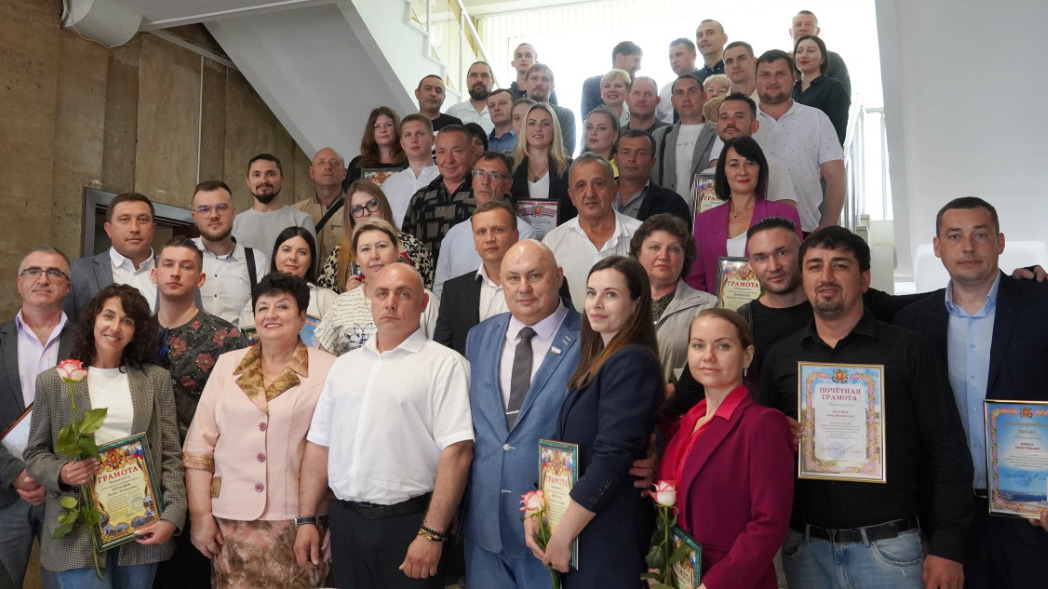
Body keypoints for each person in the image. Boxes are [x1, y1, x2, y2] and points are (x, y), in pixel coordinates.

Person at [759, 227, 973, 589]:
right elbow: (761, 456)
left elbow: (947, 450)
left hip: (891, 549)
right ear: (803, 278)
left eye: (840, 265)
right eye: (814, 266)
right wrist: (777, 433)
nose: (826, 277)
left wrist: (948, 545)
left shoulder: (909, 350)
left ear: (865, 279)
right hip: (805, 550)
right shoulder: (781, 356)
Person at [895, 197, 1048, 588]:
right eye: (954, 236)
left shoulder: (1041, 306)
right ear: (937, 247)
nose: (967, 247)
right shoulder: (912, 323)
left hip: (1033, 513)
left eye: (980, 235)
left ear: (1000, 242)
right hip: (948, 519)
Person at [295, 263, 473, 589]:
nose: (390, 303)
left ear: (423, 303)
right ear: (371, 302)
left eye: (403, 294)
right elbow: (319, 445)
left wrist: (432, 533)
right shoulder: (344, 366)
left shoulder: (445, 364)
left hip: (411, 524)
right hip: (347, 523)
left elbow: (458, 452)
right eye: (382, 294)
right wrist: (306, 519)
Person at [183, 273, 337, 588]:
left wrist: (337, 521)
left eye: (283, 306)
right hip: (232, 521)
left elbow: (342, 450)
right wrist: (200, 516)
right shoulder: (228, 365)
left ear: (303, 318)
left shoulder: (330, 369)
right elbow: (199, 448)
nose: (271, 314)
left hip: (301, 521)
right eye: (263, 307)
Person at [24, 284, 185, 585]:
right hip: (76, 529)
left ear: (136, 331)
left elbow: (170, 455)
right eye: (108, 316)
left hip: (141, 527)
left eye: (127, 320)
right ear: (93, 320)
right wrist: (62, 472)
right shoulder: (54, 382)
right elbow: (35, 453)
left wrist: (172, 515)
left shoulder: (156, 380)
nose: (115, 327)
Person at [524, 256, 661, 587]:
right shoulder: (598, 359)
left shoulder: (631, 360)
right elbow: (566, 448)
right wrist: (536, 507)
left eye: (611, 294)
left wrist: (562, 534)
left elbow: (612, 457)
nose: (596, 304)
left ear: (636, 303)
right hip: (584, 527)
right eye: (591, 293)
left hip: (608, 532)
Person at [462, 240, 580, 587]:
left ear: (558, 277)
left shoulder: (591, 337)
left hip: (556, 530)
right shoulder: (478, 337)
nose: (523, 287)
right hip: (484, 528)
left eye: (535, 276)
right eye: (513, 278)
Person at [659, 308, 793, 588]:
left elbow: (769, 524)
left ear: (747, 355)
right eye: (698, 345)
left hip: (731, 580)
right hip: (680, 575)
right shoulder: (687, 422)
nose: (708, 356)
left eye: (722, 346)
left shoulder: (763, 425)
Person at [150, 237, 244, 589]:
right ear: (154, 274)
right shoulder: (134, 333)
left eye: (186, 266)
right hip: (146, 480)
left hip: (203, 480)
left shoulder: (225, 337)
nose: (175, 273)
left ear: (201, 279)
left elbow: (240, 416)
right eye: (168, 265)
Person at [0, 247, 74, 589]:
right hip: (5, 495)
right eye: (33, 271)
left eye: (54, 272)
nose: (43, 279)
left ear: (67, 287)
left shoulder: (90, 344)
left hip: (66, 494)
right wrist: (15, 473)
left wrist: (54, 474)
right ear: (19, 283)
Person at [709, 51, 844, 233]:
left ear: (794, 78)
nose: (772, 81)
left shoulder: (817, 119)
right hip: (743, 231)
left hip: (804, 228)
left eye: (780, 74)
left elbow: (836, 176)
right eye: (765, 74)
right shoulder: (738, 118)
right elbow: (717, 171)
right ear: (756, 79)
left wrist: (830, 223)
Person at [685, 137, 802, 294]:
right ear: (723, 171)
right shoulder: (704, 221)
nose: (742, 171)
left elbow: (797, 271)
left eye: (750, 163)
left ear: (760, 169)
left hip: (775, 305)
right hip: (715, 308)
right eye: (734, 164)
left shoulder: (784, 214)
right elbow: (695, 280)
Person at [315, 218, 438, 356]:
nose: (374, 255)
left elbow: (438, 355)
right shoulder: (340, 304)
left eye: (381, 246)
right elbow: (322, 359)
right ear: (357, 259)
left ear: (397, 251)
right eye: (365, 249)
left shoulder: (422, 300)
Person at [543, 154, 641, 311]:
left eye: (598, 184)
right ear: (572, 196)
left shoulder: (641, 236)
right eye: (581, 186)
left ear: (614, 190)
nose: (590, 193)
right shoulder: (552, 242)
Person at [433, 152, 536, 299]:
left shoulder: (524, 233)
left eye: (494, 175)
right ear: (473, 180)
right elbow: (440, 291)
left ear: (508, 185)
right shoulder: (453, 234)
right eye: (480, 173)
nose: (485, 182)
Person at [629, 214, 718, 382]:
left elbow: (712, 362)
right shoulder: (620, 301)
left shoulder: (707, 307)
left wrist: (673, 388)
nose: (663, 256)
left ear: (685, 258)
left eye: (674, 249)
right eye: (655, 247)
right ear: (637, 254)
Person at [318, 180, 433, 293]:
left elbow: (428, 293)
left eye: (372, 204)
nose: (366, 213)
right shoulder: (339, 253)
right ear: (350, 217)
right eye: (357, 209)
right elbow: (325, 299)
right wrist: (348, 296)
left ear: (383, 205)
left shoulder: (414, 246)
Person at [238, 227, 338, 347]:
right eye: (286, 250)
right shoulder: (256, 302)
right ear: (275, 254)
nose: (293, 257)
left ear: (311, 259)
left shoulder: (328, 300)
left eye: (302, 252)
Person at [65, 192, 158, 320]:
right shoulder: (76, 272)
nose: (134, 228)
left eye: (143, 220)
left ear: (153, 228)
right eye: (124, 219)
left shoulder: (175, 273)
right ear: (109, 229)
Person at [192, 180, 270, 324]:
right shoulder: (178, 256)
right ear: (195, 217)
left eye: (221, 207)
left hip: (242, 339)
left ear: (234, 213)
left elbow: (265, 315)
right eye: (204, 209)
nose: (214, 215)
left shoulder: (257, 261)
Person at [401, 125, 477, 264]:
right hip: (429, 277)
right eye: (441, 152)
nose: (449, 159)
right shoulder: (421, 198)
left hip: (474, 275)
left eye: (456, 151)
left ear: (472, 152)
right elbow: (406, 248)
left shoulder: (484, 194)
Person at [708, 93, 797, 208]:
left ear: (754, 126)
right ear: (717, 128)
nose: (730, 122)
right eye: (724, 117)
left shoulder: (772, 167)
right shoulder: (706, 176)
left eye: (739, 116)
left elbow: (787, 214)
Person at [232, 153, 316, 254]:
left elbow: (311, 262)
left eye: (270, 174)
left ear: (282, 179)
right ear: (248, 182)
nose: (263, 180)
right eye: (256, 175)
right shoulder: (234, 223)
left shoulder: (301, 220)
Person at [651, 74, 718, 196]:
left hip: (709, 205)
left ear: (704, 97)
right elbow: (654, 178)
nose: (686, 98)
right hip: (669, 206)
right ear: (672, 101)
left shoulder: (719, 133)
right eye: (679, 93)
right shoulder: (660, 135)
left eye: (692, 91)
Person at [510, 103, 577, 225]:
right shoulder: (509, 167)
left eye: (545, 123)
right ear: (525, 129)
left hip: (560, 235)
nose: (538, 128)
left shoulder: (571, 168)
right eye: (532, 123)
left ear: (554, 129)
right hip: (519, 236)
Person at [613, 129, 691, 226]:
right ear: (615, 159)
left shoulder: (672, 203)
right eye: (626, 152)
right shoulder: (598, 194)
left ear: (652, 162)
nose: (632, 158)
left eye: (641, 153)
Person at [382, 114, 440, 229]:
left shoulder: (445, 177)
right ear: (402, 143)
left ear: (433, 139)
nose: (414, 140)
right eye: (408, 135)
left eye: (420, 134)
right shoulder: (390, 184)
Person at [294, 147, 349, 265]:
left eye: (334, 163)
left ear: (344, 173)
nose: (328, 167)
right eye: (321, 163)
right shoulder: (296, 211)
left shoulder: (356, 211)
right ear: (311, 172)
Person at [793, 35, 850, 145]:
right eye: (799, 51)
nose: (804, 55)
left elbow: (837, 131)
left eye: (811, 50)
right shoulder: (791, 90)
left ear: (822, 58)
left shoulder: (833, 87)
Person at [789, 10, 851, 95]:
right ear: (790, 32)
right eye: (798, 25)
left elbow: (843, 96)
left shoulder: (833, 59)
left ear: (817, 31)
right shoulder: (783, 62)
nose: (803, 28)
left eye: (808, 24)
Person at [345, 107, 408, 187]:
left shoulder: (410, 162)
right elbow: (350, 192)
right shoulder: (357, 164)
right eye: (377, 126)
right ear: (371, 132)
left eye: (388, 125)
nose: (383, 130)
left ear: (397, 128)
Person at [524, 64, 576, 156]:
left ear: (552, 86)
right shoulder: (515, 113)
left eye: (545, 79)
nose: (539, 83)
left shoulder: (565, 115)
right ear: (525, 84)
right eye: (534, 78)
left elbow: (566, 153)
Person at [580, 41, 642, 118]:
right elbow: (588, 121)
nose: (639, 67)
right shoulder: (592, 85)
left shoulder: (640, 86)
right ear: (619, 57)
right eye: (636, 60)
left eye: (618, 86)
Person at [703, 41, 759, 123]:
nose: (735, 65)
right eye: (729, 61)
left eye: (741, 58)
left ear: (755, 63)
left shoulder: (770, 100)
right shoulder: (710, 108)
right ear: (725, 70)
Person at [656, 39, 700, 124]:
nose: (674, 61)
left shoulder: (706, 84)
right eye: (671, 57)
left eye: (679, 55)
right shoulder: (665, 90)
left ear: (693, 55)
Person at [446, 61, 495, 133]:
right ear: (467, 81)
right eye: (474, 75)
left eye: (484, 75)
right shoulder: (453, 113)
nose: (479, 79)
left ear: (493, 82)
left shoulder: (502, 112)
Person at [486, 88, 518, 154]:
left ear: (515, 107)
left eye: (502, 103)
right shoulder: (483, 142)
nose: (496, 108)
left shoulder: (525, 140)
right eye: (492, 105)